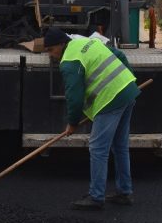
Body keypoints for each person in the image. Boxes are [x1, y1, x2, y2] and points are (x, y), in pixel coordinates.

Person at [43, 27, 140, 210]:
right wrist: (129, 78)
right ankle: (124, 192)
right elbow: (119, 54)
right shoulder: (87, 42)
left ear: (62, 44)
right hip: (127, 92)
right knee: (120, 146)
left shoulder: (69, 61)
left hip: (110, 99)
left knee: (97, 148)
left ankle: (96, 197)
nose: (50, 55)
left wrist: (72, 123)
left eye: (51, 50)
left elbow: (74, 97)